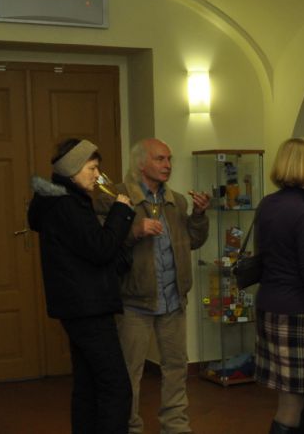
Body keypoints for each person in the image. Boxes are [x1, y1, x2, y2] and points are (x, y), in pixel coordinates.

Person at [96, 138, 210, 434]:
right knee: (129, 372)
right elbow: (101, 242)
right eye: (160, 159)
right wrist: (135, 230)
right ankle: (129, 427)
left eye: (169, 159)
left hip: (173, 300)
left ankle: (175, 426)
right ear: (141, 163)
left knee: (176, 368)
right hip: (134, 302)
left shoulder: (176, 201)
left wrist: (199, 216)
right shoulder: (116, 197)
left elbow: (193, 241)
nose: (168, 165)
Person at [28, 138, 135, 434]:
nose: (97, 175)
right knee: (116, 387)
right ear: (72, 170)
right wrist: (121, 211)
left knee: (88, 386)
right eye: (92, 168)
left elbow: (86, 250)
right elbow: (100, 248)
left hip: (77, 305)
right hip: (89, 307)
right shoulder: (67, 204)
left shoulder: (57, 200)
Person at [254, 137, 304, 434]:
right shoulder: (303, 213)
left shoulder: (267, 204)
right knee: (291, 403)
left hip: (269, 303)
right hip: (295, 309)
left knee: (290, 397)